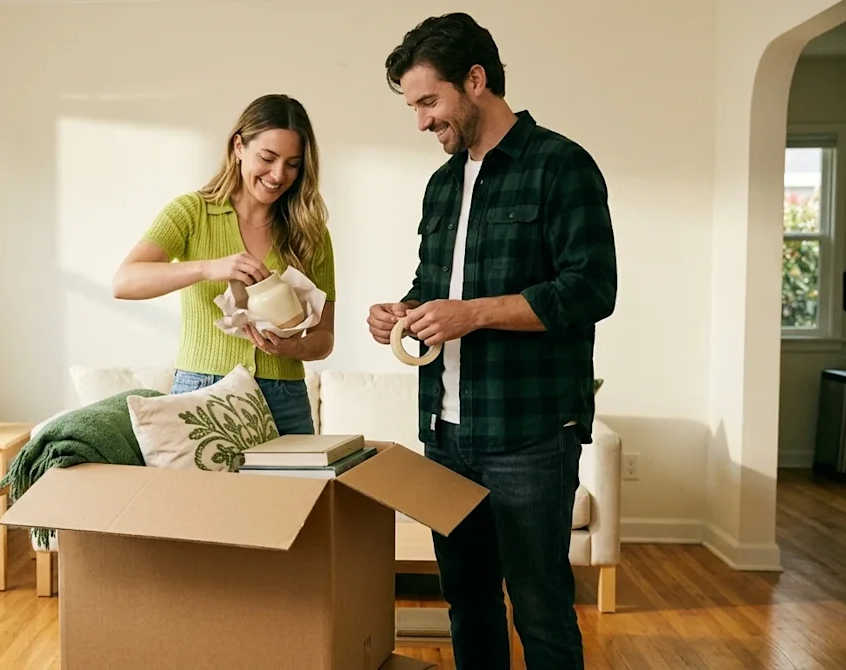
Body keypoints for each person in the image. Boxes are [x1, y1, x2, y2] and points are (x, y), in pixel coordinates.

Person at [368, 12, 616, 670]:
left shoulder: (561, 166)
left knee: (539, 608)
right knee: (467, 604)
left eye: (428, 101)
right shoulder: (443, 184)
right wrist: (404, 311)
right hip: (444, 436)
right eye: (414, 105)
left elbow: (592, 290)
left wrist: (470, 315)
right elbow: (433, 283)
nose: (421, 121)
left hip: (529, 435)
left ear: (475, 80)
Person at [112, 94, 335, 436]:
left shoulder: (309, 231)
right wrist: (207, 268)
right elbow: (124, 281)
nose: (279, 174)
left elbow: (324, 337)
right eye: (268, 157)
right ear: (238, 147)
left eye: (292, 163)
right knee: (201, 493)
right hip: (201, 390)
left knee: (295, 492)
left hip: (285, 399)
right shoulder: (192, 212)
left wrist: (296, 347)